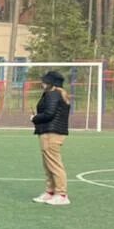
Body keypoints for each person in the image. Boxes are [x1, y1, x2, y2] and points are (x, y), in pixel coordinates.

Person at [32, 70, 71, 206]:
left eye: (45, 81)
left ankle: (61, 194)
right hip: (50, 132)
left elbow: (49, 113)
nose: (42, 83)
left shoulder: (53, 94)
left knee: (54, 164)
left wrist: (34, 118)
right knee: (48, 164)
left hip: (51, 133)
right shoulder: (58, 94)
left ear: (51, 83)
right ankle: (50, 192)